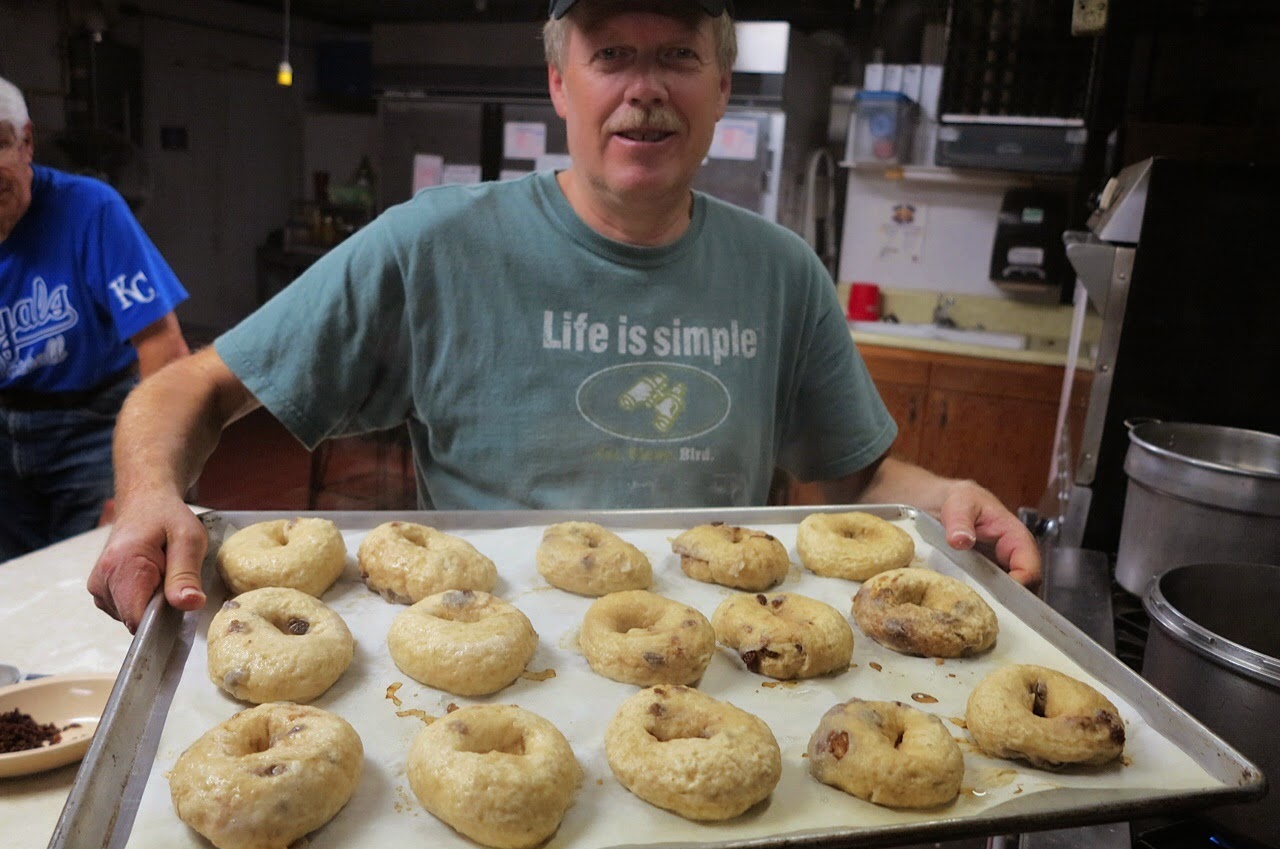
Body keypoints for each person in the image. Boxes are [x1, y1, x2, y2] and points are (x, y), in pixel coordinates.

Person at [87, 0, 1039, 633]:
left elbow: (860, 472)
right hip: (483, 658)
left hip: (720, 663)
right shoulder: (434, 247)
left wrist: (940, 493)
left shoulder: (781, 272)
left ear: (721, 88)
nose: (644, 88)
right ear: (558, 84)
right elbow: (190, 387)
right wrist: (150, 496)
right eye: (611, 54)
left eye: (678, 55)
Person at [0, 76, 189, 561]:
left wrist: (146, 482)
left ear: (27, 144)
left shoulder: (91, 209)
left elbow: (163, 348)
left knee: (104, 570)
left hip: (91, 425)